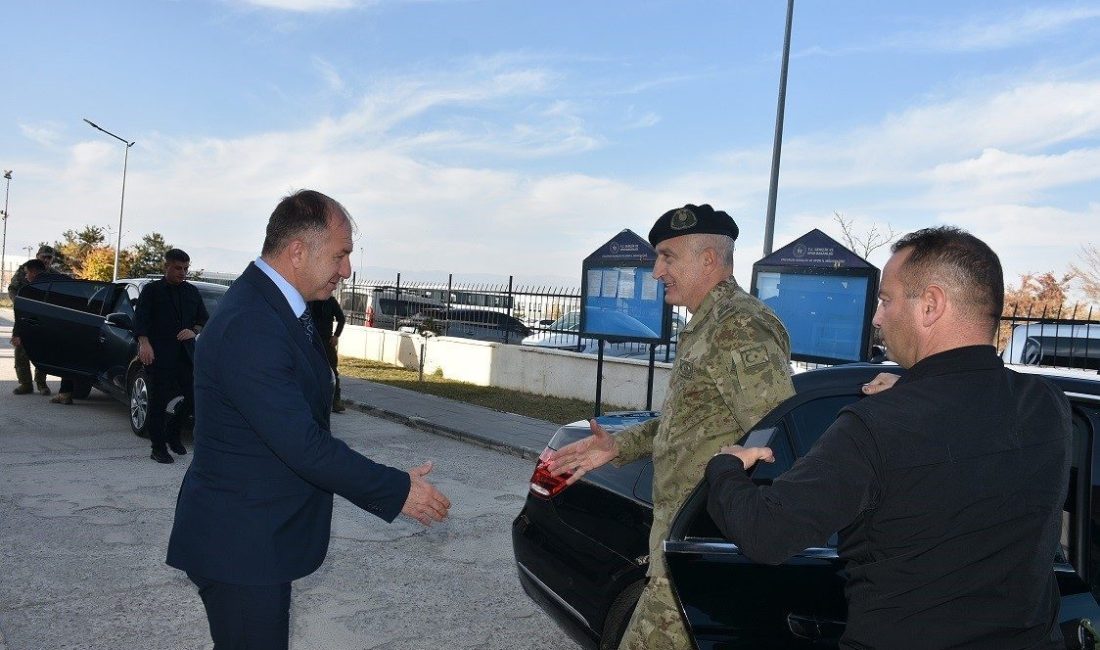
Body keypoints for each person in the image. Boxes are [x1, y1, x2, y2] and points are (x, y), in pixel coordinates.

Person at [706, 226, 1072, 649]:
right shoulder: (1048, 404)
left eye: (886, 299)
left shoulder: (875, 425)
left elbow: (766, 533)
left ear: (931, 305)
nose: (878, 317)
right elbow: (970, 432)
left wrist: (726, 466)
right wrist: (912, 389)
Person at [166, 189, 450, 649]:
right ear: (298, 251)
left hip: (255, 539)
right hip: (241, 547)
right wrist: (396, 490)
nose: (347, 270)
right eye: (341, 255)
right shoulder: (253, 323)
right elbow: (302, 443)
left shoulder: (275, 308)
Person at [547, 204, 795, 650]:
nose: (657, 270)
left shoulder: (739, 326)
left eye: (667, 256)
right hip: (680, 543)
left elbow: (773, 432)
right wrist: (618, 447)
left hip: (702, 542)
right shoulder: (707, 325)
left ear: (707, 260)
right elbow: (693, 424)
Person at [133, 248, 209, 464]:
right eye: (178, 268)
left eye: (186, 268)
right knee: (158, 402)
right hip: (159, 355)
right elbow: (140, 320)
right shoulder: (152, 291)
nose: (182, 272)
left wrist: (193, 330)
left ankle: (173, 434)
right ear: (166, 266)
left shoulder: (192, 292)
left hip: (186, 356)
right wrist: (144, 343)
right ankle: (158, 448)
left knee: (194, 398)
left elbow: (203, 319)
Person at [8, 245, 59, 395]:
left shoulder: (54, 275)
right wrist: (19, 303)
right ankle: (25, 383)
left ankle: (41, 383)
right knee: (21, 350)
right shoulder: (25, 270)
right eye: (44, 256)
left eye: (49, 257)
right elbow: (12, 288)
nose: (46, 260)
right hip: (23, 316)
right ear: (37, 256)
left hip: (43, 319)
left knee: (42, 350)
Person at [309, 294, 346, 412]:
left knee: (333, 371)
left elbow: (341, 319)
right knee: (310, 370)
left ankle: (336, 401)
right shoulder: (309, 299)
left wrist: (336, 335)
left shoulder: (331, 301)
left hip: (326, 341)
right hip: (311, 341)